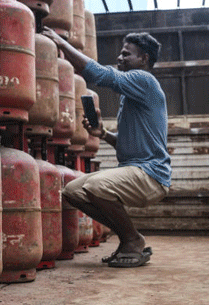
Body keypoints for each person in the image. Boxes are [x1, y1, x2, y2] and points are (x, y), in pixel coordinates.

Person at [41, 27, 171, 268]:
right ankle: (129, 238)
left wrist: (61, 43)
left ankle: (132, 239)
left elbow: (101, 75)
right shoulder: (132, 94)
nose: (120, 58)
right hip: (136, 171)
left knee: (94, 185)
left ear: (143, 59)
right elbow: (127, 142)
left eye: (126, 54)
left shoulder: (144, 80)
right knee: (72, 191)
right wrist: (103, 134)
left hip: (151, 175)